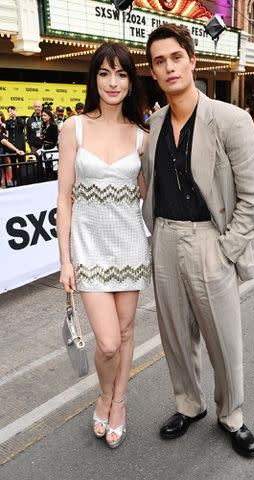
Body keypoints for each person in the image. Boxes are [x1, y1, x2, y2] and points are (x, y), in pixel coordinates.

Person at [142, 24, 254, 458]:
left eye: (176, 57)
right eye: (160, 61)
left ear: (192, 60)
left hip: (210, 240)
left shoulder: (232, 119)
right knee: (175, 337)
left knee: (223, 340)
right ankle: (188, 405)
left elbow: (252, 197)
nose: (169, 67)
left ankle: (232, 414)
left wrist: (227, 249)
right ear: (154, 72)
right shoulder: (154, 123)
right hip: (165, 239)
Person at [57, 42, 151, 449]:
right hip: (90, 251)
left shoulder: (142, 137)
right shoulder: (73, 127)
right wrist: (65, 262)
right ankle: (103, 393)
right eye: (104, 73)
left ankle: (119, 402)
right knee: (108, 342)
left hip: (130, 246)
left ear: (131, 83)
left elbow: (145, 196)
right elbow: (63, 199)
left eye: (122, 74)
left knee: (127, 332)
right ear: (94, 78)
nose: (113, 83)